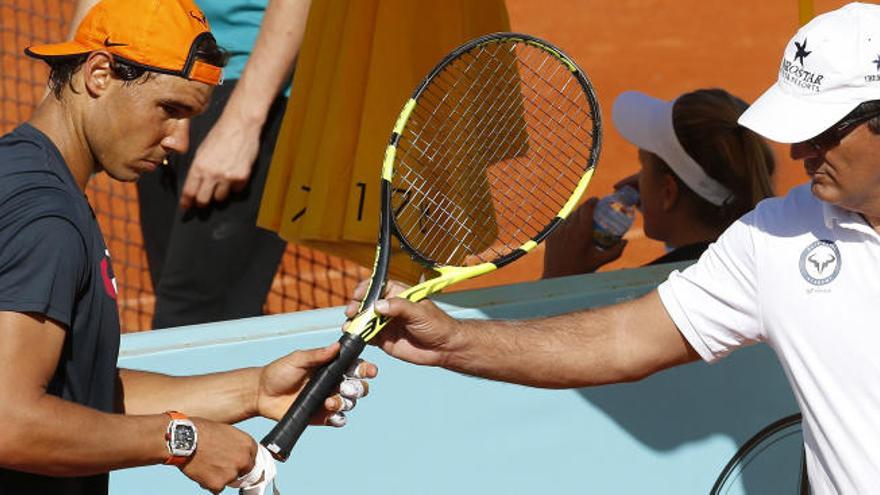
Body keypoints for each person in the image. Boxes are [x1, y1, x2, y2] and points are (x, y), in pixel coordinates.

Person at [349, 3, 880, 492]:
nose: (799, 150)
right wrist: (455, 341)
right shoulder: (775, 237)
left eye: (824, 131)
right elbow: (626, 339)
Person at [0, 1, 376, 493]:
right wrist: (182, 439)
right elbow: (10, 422)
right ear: (99, 74)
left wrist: (255, 388)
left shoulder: (23, 176)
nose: (180, 141)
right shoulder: (45, 219)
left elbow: (78, 390)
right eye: (170, 110)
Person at [70, 0, 310, 328]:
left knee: (194, 316)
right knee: (190, 304)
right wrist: (69, 89)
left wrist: (244, 122)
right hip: (149, 71)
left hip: (249, 82)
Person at [543, 88, 776, 278]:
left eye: (644, 167)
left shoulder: (643, 298)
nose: (629, 182)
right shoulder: (765, 262)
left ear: (668, 192)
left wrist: (558, 277)